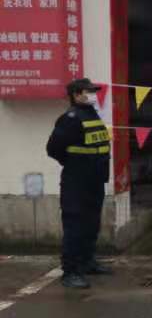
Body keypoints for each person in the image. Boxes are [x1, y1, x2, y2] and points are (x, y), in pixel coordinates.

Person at [46, 78, 113, 289]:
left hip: (95, 181)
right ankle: (71, 272)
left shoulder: (92, 115)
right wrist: (75, 164)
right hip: (76, 182)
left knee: (91, 225)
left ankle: (87, 262)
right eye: (88, 91)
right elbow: (53, 149)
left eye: (93, 91)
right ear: (76, 95)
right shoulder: (70, 118)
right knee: (75, 227)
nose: (92, 94)